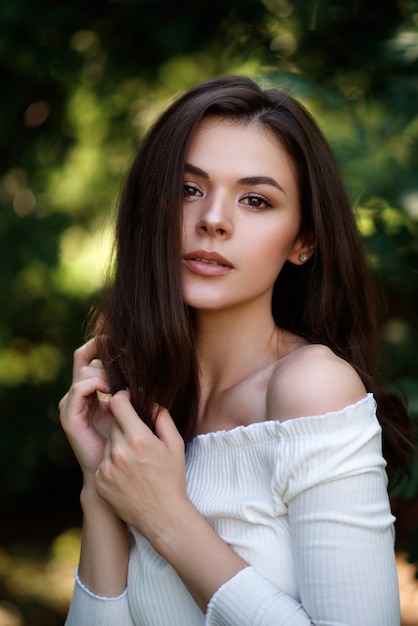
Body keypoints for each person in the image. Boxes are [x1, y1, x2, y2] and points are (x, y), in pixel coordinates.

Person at [59, 75, 413, 625]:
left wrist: (168, 519)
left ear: (304, 241)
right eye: (188, 189)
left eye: (255, 199)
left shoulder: (310, 388)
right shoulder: (142, 408)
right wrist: (102, 483)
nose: (213, 220)